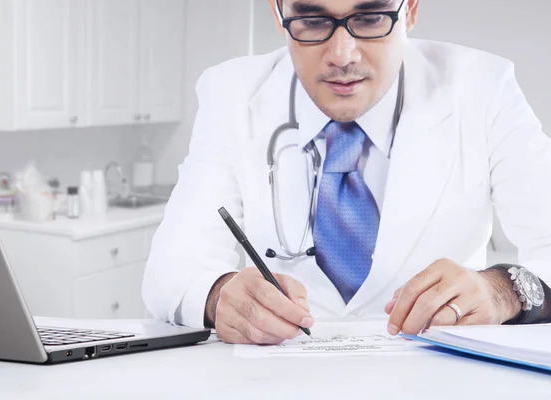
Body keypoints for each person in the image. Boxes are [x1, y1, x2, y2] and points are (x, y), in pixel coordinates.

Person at [142, 0, 551, 344]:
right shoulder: (230, 92)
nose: (342, 54)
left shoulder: (483, 89)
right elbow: (168, 271)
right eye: (313, 20)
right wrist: (219, 297)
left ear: (409, 9)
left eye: (370, 17)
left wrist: (503, 291)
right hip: (280, 382)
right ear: (278, 12)